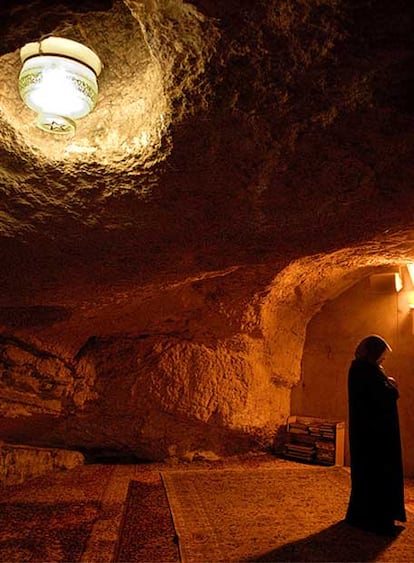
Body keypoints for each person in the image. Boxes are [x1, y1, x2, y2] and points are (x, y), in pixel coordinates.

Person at [345, 334, 406, 536]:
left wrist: (386, 382)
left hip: (371, 434)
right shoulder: (364, 370)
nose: (383, 359)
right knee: (376, 476)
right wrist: (391, 387)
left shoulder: (364, 369)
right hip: (374, 437)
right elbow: (380, 397)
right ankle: (375, 520)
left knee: (371, 476)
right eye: (381, 355)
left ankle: (367, 517)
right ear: (373, 352)